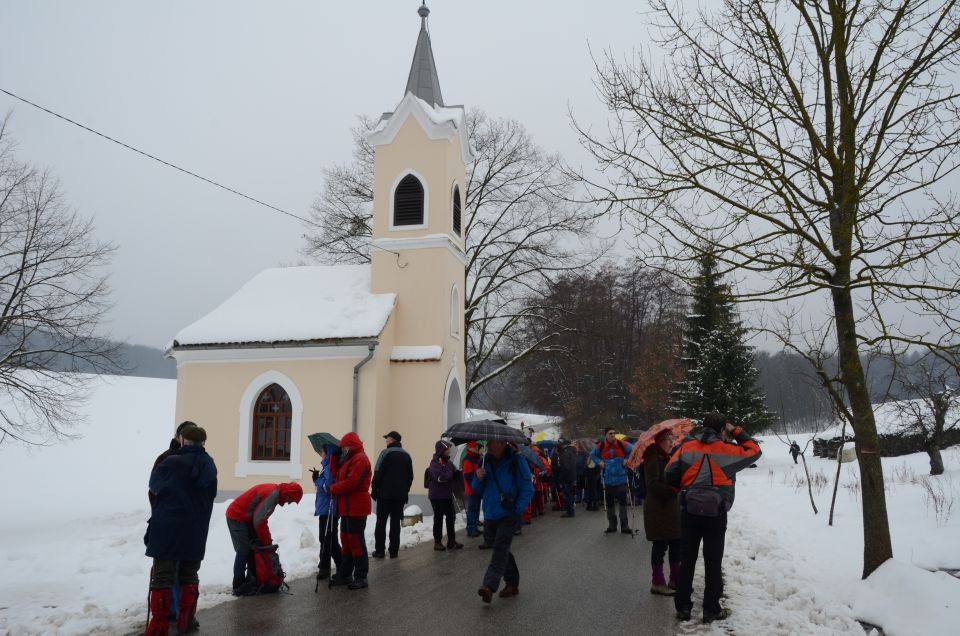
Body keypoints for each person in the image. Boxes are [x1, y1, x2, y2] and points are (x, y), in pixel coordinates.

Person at [665, 413, 762, 624]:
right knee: (713, 560)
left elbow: (669, 473)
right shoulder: (728, 450)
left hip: (689, 511)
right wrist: (736, 430)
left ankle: (683, 607)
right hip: (716, 513)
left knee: (687, 559)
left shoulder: (687, 447)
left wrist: (684, 489)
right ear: (722, 430)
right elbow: (755, 450)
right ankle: (711, 609)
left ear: (703, 428)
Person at [144, 425, 217, 635]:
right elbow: (210, 494)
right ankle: (186, 621)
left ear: (184, 441)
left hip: (167, 528)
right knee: (190, 576)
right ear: (202, 443)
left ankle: (159, 625)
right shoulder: (209, 465)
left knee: (162, 578)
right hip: (195, 530)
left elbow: (154, 486)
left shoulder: (171, 462)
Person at [147, 420, 201, 625]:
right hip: (168, 522)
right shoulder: (167, 458)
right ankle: (169, 611)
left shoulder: (199, 460)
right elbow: (154, 489)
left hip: (188, 523)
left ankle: (182, 613)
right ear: (179, 437)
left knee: (184, 570)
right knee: (168, 570)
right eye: (187, 437)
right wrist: (161, 514)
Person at [471, 439, 534, 603]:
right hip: (490, 513)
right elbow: (476, 489)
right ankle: (512, 583)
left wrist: (517, 510)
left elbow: (528, 488)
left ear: (503, 443)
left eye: (494, 442)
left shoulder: (516, 461)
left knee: (500, 548)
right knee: (500, 548)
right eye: (489, 442)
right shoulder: (484, 461)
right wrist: (478, 477)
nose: (490, 445)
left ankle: (489, 586)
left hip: (509, 513)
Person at [225, 481, 303, 595]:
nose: (288, 503)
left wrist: (265, 541)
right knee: (243, 550)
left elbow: (259, 519)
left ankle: (250, 580)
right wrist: (267, 542)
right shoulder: (273, 494)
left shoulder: (275, 493)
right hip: (237, 516)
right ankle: (238, 584)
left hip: (247, 518)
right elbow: (260, 521)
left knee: (254, 548)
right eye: (290, 500)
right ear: (287, 494)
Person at [329, 432, 372, 590]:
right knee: (346, 542)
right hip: (346, 507)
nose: (344, 449)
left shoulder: (360, 459)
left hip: (357, 507)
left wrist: (333, 489)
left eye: (345, 446)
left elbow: (351, 483)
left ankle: (361, 576)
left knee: (356, 542)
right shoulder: (348, 459)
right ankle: (345, 574)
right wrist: (334, 456)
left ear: (351, 445)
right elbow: (336, 474)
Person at [643, 429, 681, 595]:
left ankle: (675, 579)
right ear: (659, 442)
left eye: (673, 440)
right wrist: (673, 490)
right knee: (660, 545)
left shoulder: (665, 458)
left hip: (669, 509)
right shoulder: (652, 458)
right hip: (657, 509)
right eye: (668, 440)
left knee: (676, 543)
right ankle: (657, 582)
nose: (672, 443)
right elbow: (652, 484)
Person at [370, 431, 413, 559]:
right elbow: (410, 477)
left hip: (384, 495)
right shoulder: (407, 455)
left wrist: (374, 488)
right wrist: (405, 491)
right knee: (395, 524)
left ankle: (380, 551)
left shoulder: (385, 453)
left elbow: (378, 472)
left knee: (381, 523)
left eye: (387, 438)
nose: (385, 440)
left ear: (392, 439)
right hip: (399, 497)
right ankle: (393, 551)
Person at [591, 428, 635, 533]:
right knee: (609, 503)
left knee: (623, 502)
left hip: (621, 478)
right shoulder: (601, 446)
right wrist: (599, 462)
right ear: (606, 435)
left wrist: (626, 459)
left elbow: (632, 450)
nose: (613, 435)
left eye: (614, 433)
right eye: (610, 433)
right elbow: (592, 455)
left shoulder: (621, 444)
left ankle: (624, 526)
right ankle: (612, 525)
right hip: (608, 479)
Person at [311, 444, 341, 581]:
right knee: (328, 539)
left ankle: (325, 568)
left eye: (322, 452)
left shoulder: (330, 468)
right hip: (325, 508)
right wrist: (317, 478)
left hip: (329, 509)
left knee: (327, 539)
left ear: (327, 453)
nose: (321, 454)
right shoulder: (327, 467)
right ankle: (337, 566)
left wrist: (316, 481)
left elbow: (328, 487)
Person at [427, 439, 463, 551]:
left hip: (447, 494)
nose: (449, 451)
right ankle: (437, 542)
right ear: (441, 450)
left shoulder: (448, 462)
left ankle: (451, 541)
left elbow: (453, 473)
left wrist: (458, 473)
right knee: (438, 519)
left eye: (449, 449)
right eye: (447, 449)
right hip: (436, 496)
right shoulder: (435, 463)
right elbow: (440, 477)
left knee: (451, 517)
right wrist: (451, 475)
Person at [461, 441, 483, 537]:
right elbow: (468, 476)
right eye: (475, 447)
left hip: (476, 488)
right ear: (470, 448)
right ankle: (471, 529)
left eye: (477, 447)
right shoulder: (467, 460)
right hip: (471, 489)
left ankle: (474, 527)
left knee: (476, 509)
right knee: (472, 509)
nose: (477, 448)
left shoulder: (476, 458)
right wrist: (475, 485)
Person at [556, 439, 577, 518]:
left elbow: (565, 467)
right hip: (572, 476)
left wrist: (561, 478)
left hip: (566, 477)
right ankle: (571, 511)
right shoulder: (572, 452)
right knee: (570, 494)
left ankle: (570, 512)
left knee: (567, 495)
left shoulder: (565, 453)